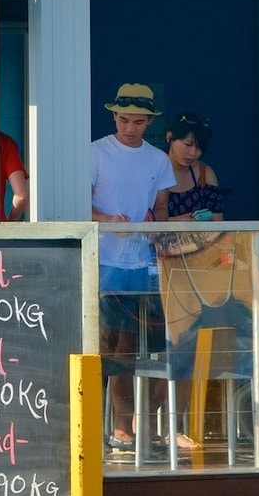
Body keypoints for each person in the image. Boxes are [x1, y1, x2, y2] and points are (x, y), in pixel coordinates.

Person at [90, 82, 170, 450]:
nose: (130, 128)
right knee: (108, 347)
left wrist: (153, 228)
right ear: (114, 116)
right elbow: (77, 204)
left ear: (149, 122)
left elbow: (163, 210)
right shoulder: (95, 153)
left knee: (146, 349)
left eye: (138, 122)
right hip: (105, 260)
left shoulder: (158, 159)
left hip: (145, 264)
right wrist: (108, 219)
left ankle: (137, 425)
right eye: (124, 120)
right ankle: (111, 427)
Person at [152, 110, 224, 222]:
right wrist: (176, 222)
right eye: (188, 145)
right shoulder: (151, 169)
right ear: (169, 137)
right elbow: (138, 219)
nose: (193, 153)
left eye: (200, 148)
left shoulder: (205, 173)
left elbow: (218, 222)